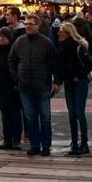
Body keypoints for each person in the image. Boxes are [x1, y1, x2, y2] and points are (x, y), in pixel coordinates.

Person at [9, 15, 58, 158]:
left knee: (45, 117)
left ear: (38, 26)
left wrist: (56, 81)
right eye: (27, 24)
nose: (28, 26)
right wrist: (16, 77)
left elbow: (54, 63)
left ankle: (46, 146)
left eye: (31, 24)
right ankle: (34, 145)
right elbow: (12, 60)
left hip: (42, 85)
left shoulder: (46, 43)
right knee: (30, 117)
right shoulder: (20, 41)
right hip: (25, 86)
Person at [54, 20, 92, 156]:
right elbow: (59, 68)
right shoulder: (60, 49)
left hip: (79, 82)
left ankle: (83, 142)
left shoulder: (78, 47)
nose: (59, 34)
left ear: (67, 33)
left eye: (61, 32)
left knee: (78, 112)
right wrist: (57, 82)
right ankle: (75, 142)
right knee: (72, 114)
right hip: (69, 83)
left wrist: (79, 75)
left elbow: (90, 64)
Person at [0, 27, 22, 151]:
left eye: (4, 36)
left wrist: (16, 82)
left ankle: (16, 140)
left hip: (13, 88)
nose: (1, 39)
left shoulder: (15, 50)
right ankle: (7, 139)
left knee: (15, 115)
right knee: (5, 115)